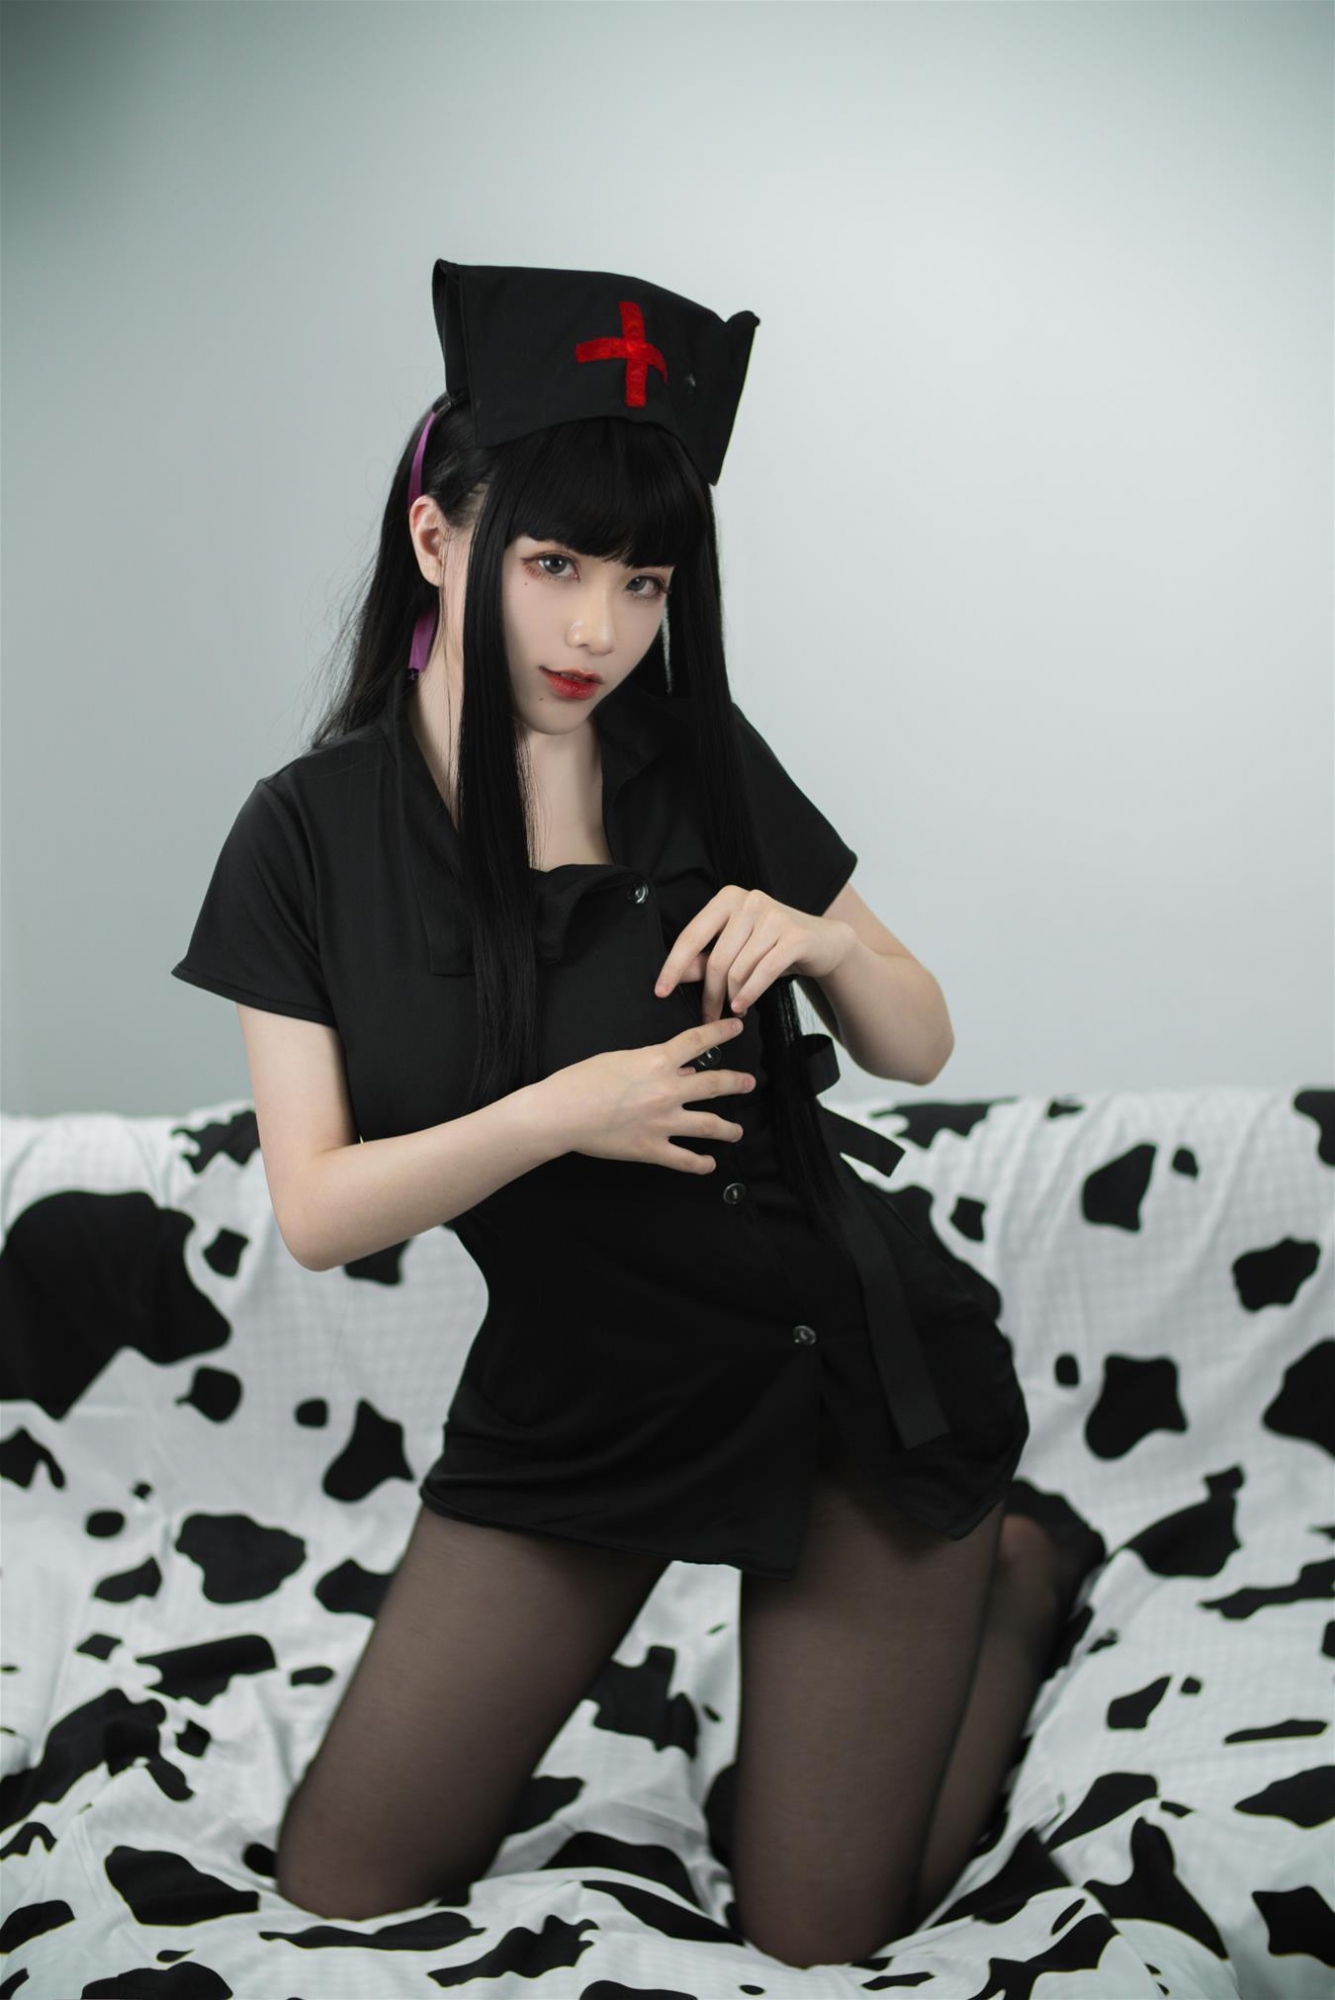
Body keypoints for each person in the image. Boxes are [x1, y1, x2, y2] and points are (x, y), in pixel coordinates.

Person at [170, 257, 1103, 1966]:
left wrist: (830, 944)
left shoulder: (694, 756)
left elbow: (916, 1040)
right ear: (438, 540)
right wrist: (557, 1113)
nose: (599, 630)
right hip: (580, 1396)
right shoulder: (304, 835)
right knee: (339, 1890)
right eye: (554, 566)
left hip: (838, 1379)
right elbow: (315, 1206)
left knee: (819, 1934)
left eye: (642, 581)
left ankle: (1015, 1571)